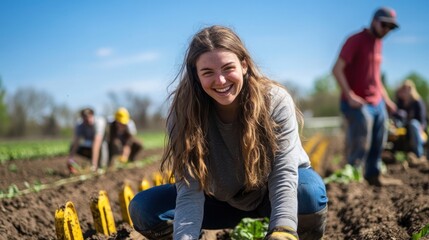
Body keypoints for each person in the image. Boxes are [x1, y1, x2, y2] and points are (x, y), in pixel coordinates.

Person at [129, 25, 328, 240]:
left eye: (227, 68)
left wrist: (284, 229)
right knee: (144, 208)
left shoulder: (274, 101)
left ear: (243, 65)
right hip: (220, 201)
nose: (221, 80)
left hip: (272, 196)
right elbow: (189, 191)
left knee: (308, 192)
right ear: (196, 75)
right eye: (208, 72)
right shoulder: (183, 113)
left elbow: (283, 174)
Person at [332, 7, 401, 186]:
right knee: (362, 131)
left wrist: (386, 100)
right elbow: (337, 69)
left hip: (376, 101)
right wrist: (350, 95)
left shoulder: (378, 44)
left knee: (381, 135)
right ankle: (353, 177)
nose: (386, 30)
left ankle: (373, 174)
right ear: (374, 21)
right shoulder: (355, 40)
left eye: (391, 28)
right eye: (384, 25)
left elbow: (375, 77)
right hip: (356, 102)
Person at [395, 80, 427, 163]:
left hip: (416, 128)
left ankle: (419, 155)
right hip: (403, 127)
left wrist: (421, 130)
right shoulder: (401, 102)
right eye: (403, 89)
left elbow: (423, 121)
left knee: (413, 123)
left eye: (406, 89)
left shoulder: (417, 102)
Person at [68, 107, 108, 174]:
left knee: (103, 165)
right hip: (89, 144)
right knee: (72, 146)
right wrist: (71, 159)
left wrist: (94, 164)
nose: (87, 120)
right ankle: (88, 164)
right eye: (85, 118)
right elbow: (76, 141)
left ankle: (98, 164)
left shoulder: (99, 122)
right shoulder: (79, 124)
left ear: (92, 115)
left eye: (89, 117)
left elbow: (97, 143)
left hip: (101, 145)